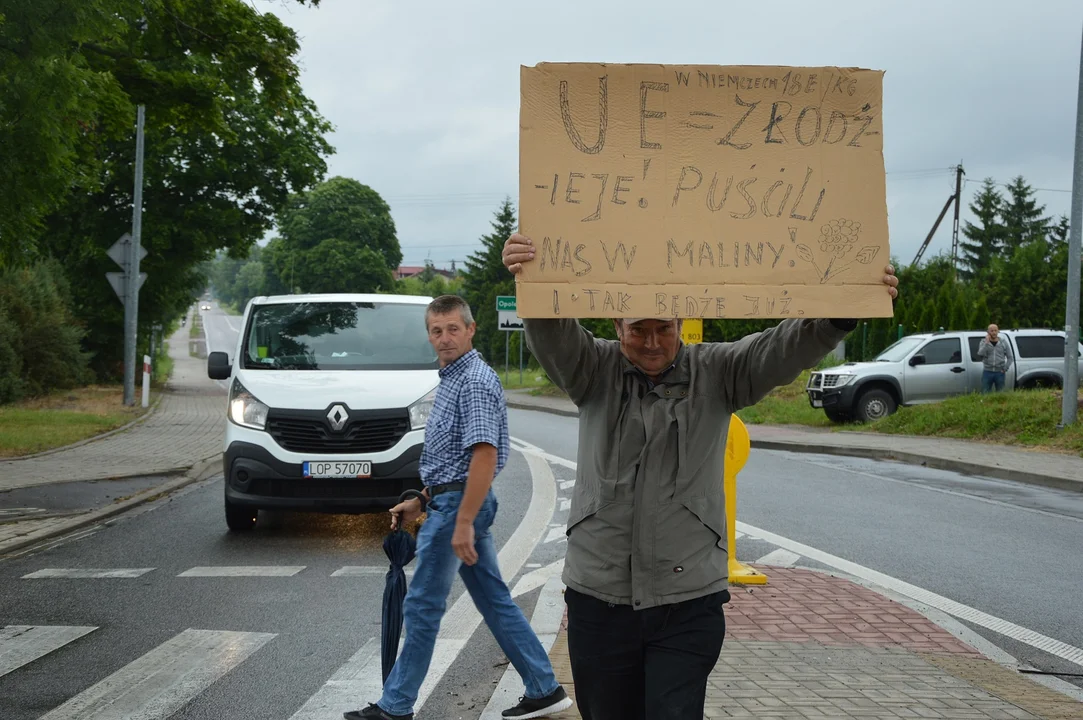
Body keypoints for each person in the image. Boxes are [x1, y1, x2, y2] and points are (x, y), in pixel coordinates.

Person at [501, 233, 900, 720]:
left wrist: (840, 313)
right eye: (637, 330)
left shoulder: (719, 372)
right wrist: (532, 279)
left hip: (687, 601)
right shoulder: (592, 371)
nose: (651, 343)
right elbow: (552, 330)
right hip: (599, 599)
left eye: (664, 329)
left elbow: (779, 349)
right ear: (616, 325)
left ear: (681, 325)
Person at [345, 294, 572, 720]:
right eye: (436, 330)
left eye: (453, 329)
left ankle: (395, 706)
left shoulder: (474, 381)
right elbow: (454, 459)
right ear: (429, 334)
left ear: (470, 329)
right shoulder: (452, 378)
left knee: (423, 606)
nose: (445, 338)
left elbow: (484, 454)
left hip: (458, 508)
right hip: (449, 501)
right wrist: (421, 500)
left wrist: (463, 520)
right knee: (493, 600)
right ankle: (544, 687)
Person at [977, 323, 1012, 392]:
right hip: (987, 372)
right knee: (985, 392)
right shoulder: (983, 342)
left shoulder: (1003, 342)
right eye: (991, 331)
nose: (994, 332)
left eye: (995, 330)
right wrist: (986, 343)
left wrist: (1005, 368)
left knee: (1000, 393)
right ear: (988, 332)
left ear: (998, 331)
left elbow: (1010, 357)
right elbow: (980, 353)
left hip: (1000, 372)